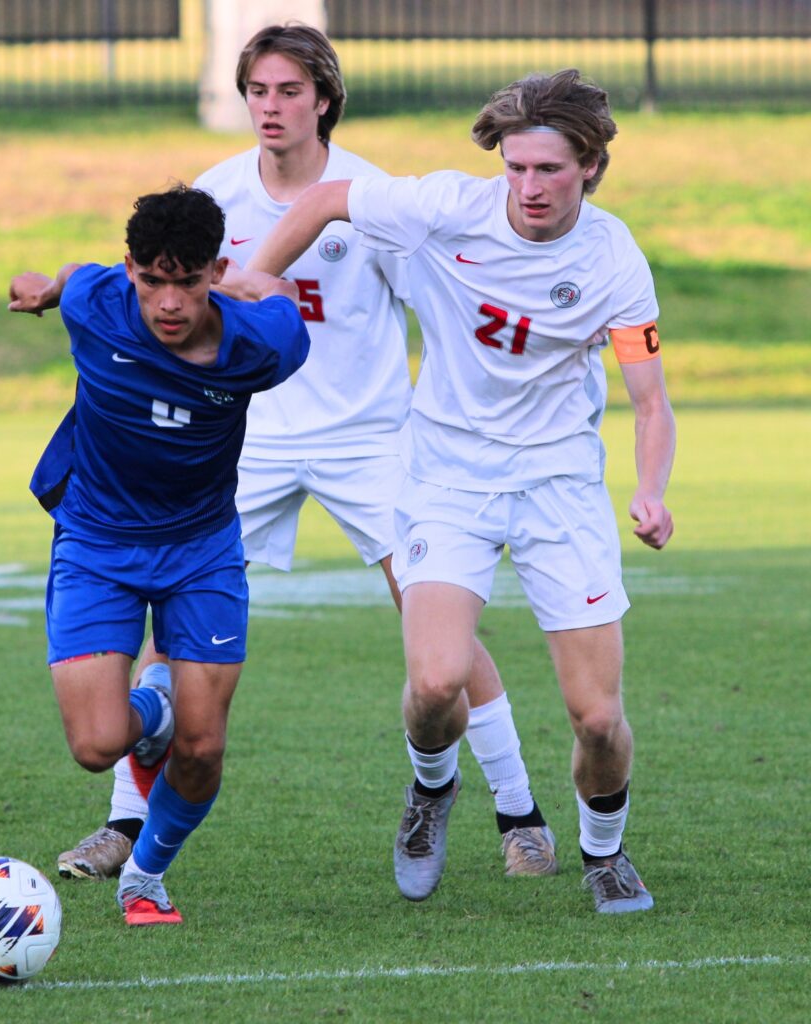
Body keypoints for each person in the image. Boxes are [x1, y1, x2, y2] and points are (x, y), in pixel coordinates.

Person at [56, 24, 557, 897]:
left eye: (290, 91)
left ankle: (519, 815)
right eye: (258, 90)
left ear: (324, 97)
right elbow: (147, 301)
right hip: (241, 440)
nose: (271, 107)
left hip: (368, 436)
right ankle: (126, 823)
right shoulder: (213, 198)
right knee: (170, 633)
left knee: (438, 619)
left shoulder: (369, 197)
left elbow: (439, 309)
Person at [246, 68, 676, 914]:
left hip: (558, 485)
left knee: (597, 717)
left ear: (589, 165)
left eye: (548, 170)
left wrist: (651, 490)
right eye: (515, 168)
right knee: (437, 682)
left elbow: (650, 400)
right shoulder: (446, 206)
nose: (528, 188)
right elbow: (330, 198)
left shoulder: (614, 259)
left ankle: (604, 852)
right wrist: (256, 276)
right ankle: (431, 791)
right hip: (448, 477)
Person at [7, 184, 310, 925]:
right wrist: (45, 291)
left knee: (203, 750)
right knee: (97, 745)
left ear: (216, 270)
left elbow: (276, 294)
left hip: (201, 548)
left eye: (188, 280)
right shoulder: (96, 303)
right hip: (96, 544)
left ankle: (145, 875)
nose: (168, 302)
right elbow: (77, 276)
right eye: (152, 280)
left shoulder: (264, 344)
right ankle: (155, 706)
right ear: (130, 271)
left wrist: (249, 283)